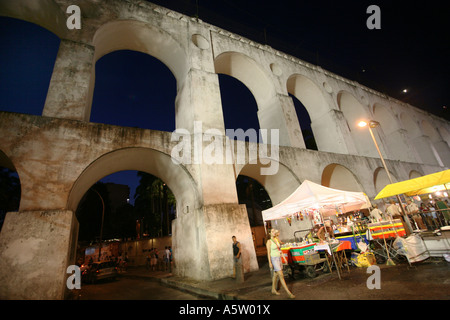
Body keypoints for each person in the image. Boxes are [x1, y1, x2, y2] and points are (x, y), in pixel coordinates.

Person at [266, 229, 295, 299]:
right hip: (274, 259)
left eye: (274, 231)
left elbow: (280, 249)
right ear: (269, 233)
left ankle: (273, 289)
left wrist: (284, 258)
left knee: (276, 274)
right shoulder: (269, 242)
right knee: (281, 275)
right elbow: (268, 253)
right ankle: (289, 293)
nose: (273, 233)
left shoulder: (276, 239)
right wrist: (270, 262)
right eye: (272, 232)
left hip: (279, 258)